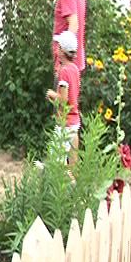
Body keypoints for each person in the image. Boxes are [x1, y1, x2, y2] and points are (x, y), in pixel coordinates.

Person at [46, 30, 81, 164]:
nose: (56, 50)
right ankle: (73, 182)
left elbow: (63, 100)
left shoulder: (64, 71)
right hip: (74, 121)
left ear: (62, 51)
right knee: (72, 162)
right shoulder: (74, 69)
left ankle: (63, 183)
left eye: (58, 47)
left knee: (56, 162)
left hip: (65, 123)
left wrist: (52, 94)